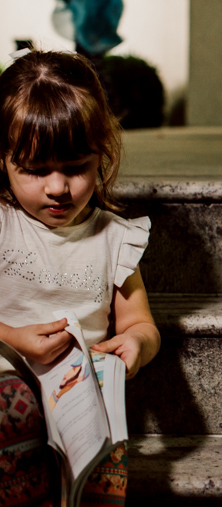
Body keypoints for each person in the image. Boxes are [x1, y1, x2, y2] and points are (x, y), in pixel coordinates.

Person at [0, 49, 161, 507]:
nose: (57, 187)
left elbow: (141, 324)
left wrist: (137, 345)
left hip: (81, 398)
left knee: (102, 460)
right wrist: (13, 338)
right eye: (35, 170)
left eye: (76, 168)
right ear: (3, 160)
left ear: (101, 155)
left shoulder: (115, 238)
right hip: (7, 389)